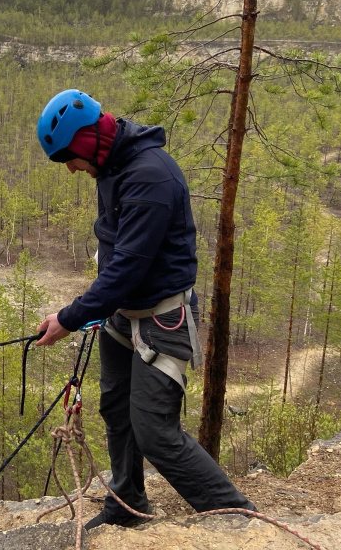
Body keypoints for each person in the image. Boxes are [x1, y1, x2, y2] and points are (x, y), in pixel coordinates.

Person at [34, 89, 255, 530]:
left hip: (162, 316)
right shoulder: (111, 167)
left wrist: (71, 316)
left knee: (156, 430)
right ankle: (126, 503)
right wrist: (99, 302)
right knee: (116, 410)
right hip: (122, 313)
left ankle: (236, 518)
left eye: (69, 159)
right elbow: (113, 243)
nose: (72, 169)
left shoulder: (151, 176)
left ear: (85, 141)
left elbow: (131, 267)